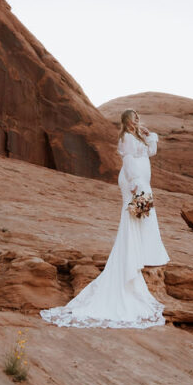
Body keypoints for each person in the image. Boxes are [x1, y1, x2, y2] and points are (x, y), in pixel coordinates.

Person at [40, 108, 170, 329]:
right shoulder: (127, 138)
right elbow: (129, 163)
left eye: (138, 117)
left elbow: (151, 152)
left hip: (141, 183)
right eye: (133, 118)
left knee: (138, 221)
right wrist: (137, 184)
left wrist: (150, 135)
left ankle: (131, 267)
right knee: (131, 220)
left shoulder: (137, 136)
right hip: (134, 183)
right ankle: (125, 270)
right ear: (126, 122)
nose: (136, 120)